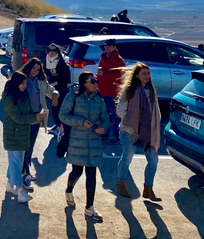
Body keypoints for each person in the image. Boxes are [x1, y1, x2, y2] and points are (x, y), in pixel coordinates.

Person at [59, 71, 109, 220]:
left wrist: (103, 128)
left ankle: (89, 207)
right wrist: (80, 122)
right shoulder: (73, 96)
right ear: (84, 83)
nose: (96, 84)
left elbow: (106, 119)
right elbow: (63, 115)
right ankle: (69, 190)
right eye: (92, 81)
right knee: (77, 171)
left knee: (92, 174)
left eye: (96, 81)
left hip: (93, 141)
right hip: (77, 140)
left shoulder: (99, 100)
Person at [116, 62, 161, 200]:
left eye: (148, 73)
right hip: (129, 131)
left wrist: (154, 122)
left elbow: (156, 110)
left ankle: (148, 189)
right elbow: (120, 111)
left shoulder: (151, 90)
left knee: (153, 160)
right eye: (144, 73)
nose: (147, 76)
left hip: (148, 132)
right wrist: (134, 120)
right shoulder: (130, 90)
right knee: (127, 159)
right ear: (137, 75)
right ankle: (121, 184)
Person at [3, 71, 48, 204]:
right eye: (23, 83)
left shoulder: (22, 95)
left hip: (22, 133)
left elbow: (25, 113)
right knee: (17, 162)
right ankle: (20, 190)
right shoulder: (10, 98)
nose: (25, 85)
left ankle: (11, 184)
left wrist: (37, 115)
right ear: (16, 84)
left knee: (16, 161)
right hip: (14, 134)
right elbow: (17, 117)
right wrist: (35, 118)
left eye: (25, 83)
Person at [18, 58, 59, 188]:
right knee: (22, 147)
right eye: (33, 68)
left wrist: (55, 95)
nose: (35, 71)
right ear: (28, 67)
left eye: (38, 69)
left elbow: (51, 90)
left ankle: (26, 172)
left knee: (30, 146)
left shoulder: (41, 81)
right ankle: (22, 174)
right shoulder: (22, 78)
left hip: (36, 119)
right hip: (24, 118)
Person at [96, 38, 126, 144]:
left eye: (109, 46)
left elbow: (119, 77)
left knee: (115, 116)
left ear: (114, 47)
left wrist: (105, 74)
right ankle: (104, 133)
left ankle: (116, 137)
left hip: (113, 93)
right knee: (103, 115)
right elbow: (99, 73)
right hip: (102, 91)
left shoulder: (119, 60)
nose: (106, 47)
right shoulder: (103, 57)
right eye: (105, 46)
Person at [44, 43, 71, 135]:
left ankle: (60, 127)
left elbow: (64, 77)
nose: (51, 52)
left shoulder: (61, 62)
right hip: (51, 87)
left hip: (60, 87)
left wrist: (55, 83)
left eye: (54, 50)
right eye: (50, 50)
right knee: (53, 106)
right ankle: (56, 124)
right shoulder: (46, 60)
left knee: (59, 106)